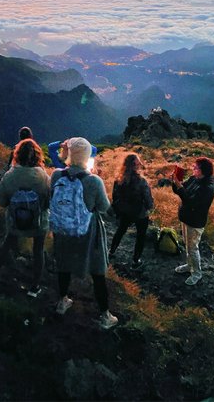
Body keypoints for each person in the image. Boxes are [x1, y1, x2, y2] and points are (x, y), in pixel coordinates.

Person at [50, 137, 118, 329]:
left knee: (63, 265)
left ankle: (62, 301)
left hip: (63, 230)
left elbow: (51, 198)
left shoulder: (56, 175)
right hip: (88, 232)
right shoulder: (93, 181)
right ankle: (105, 315)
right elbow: (104, 207)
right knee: (98, 273)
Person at [0, 139, 50, 297]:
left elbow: (2, 202)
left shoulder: (10, 175)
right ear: (37, 156)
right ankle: (34, 287)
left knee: (8, 241)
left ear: (17, 155)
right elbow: (47, 203)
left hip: (15, 221)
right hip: (38, 222)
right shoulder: (43, 177)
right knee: (38, 250)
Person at [171, 157, 214, 286]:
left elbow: (191, 202)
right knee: (187, 244)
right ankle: (189, 265)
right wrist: (175, 182)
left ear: (202, 171)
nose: (192, 169)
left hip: (195, 222)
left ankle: (197, 273)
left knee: (193, 247)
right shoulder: (193, 179)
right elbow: (180, 192)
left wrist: (179, 187)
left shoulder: (207, 188)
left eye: (195, 167)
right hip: (186, 218)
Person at [109, 154, 154, 269]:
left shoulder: (118, 180)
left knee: (120, 230)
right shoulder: (142, 181)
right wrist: (150, 208)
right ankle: (136, 260)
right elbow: (148, 200)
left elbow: (115, 197)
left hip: (125, 212)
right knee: (140, 236)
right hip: (140, 213)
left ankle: (111, 251)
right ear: (136, 165)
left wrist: (118, 210)